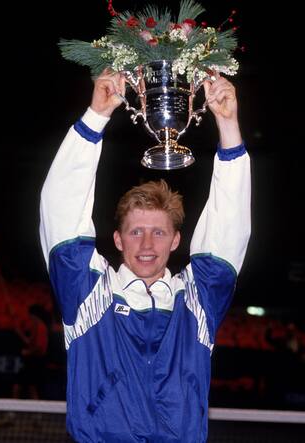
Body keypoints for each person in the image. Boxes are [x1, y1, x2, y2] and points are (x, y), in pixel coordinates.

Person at [39, 70, 251, 442]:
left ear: (176, 241)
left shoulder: (198, 301)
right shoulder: (89, 292)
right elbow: (60, 209)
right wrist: (96, 115)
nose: (147, 244)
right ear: (118, 240)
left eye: (159, 232)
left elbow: (229, 226)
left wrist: (229, 126)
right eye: (136, 231)